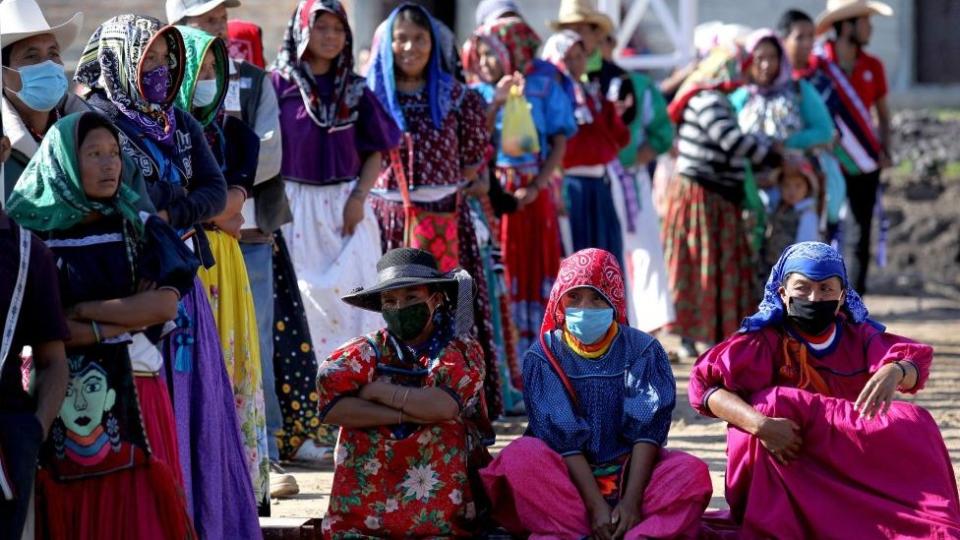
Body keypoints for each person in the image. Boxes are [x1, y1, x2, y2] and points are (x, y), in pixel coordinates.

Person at [74, 16, 261, 538]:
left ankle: (204, 519)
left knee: (195, 404)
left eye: (165, 59)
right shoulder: (94, 121)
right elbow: (124, 199)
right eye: (148, 59)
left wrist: (172, 214)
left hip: (182, 281)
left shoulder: (180, 123)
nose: (160, 70)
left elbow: (213, 190)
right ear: (119, 61)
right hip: (127, 287)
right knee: (145, 405)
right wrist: (174, 206)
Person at [7, 112, 197, 539]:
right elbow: (45, 333)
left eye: (114, 153)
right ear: (63, 161)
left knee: (138, 512)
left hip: (137, 390)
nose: (110, 164)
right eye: (94, 154)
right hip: (55, 398)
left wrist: (86, 312)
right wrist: (126, 313)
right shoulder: (31, 239)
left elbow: (164, 306)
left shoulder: (138, 226)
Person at [689, 241, 960, 538]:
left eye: (826, 289)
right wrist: (761, 425)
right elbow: (705, 386)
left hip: (844, 456)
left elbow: (913, 361)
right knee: (771, 404)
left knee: (916, 423)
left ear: (842, 296)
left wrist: (897, 370)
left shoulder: (859, 335)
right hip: (786, 456)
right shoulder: (764, 339)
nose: (814, 298)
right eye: (802, 288)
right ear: (783, 292)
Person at [480, 248, 712, 539]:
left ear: (614, 300)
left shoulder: (642, 350)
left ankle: (626, 529)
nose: (585, 308)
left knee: (690, 472)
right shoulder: (543, 356)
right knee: (520, 458)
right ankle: (590, 529)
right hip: (565, 479)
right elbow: (562, 438)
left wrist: (630, 502)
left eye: (597, 298)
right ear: (559, 298)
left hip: (630, 474)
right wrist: (596, 507)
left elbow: (646, 431)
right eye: (574, 297)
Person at [167, 0, 293, 479]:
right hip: (192, 240)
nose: (220, 26)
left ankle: (254, 453)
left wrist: (233, 195)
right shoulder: (158, 109)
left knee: (249, 341)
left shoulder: (249, 79)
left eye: (222, 17)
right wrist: (217, 207)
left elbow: (267, 150)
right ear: (178, 28)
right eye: (206, 19)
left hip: (246, 232)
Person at [366, 4, 503, 420]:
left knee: (453, 313)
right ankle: (399, 400)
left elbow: (471, 161)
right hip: (391, 224)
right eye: (401, 38)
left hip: (446, 220)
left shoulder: (459, 98)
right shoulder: (372, 96)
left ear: (435, 43)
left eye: (419, 38)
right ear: (387, 44)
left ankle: (463, 403)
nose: (410, 46)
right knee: (397, 311)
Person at [270, 0, 401, 405]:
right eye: (320, 27)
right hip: (295, 209)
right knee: (303, 304)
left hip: (348, 207)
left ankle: (356, 397)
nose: (329, 37)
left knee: (356, 301)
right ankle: (310, 405)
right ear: (301, 30)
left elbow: (377, 150)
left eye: (337, 29)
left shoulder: (356, 88)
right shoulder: (278, 85)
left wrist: (360, 198)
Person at [317, 248, 488, 537]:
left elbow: (444, 406)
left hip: (438, 464)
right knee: (355, 431)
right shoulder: (367, 349)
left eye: (411, 297)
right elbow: (332, 406)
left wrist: (377, 391)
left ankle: (438, 525)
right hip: (377, 473)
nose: (400, 306)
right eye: (391, 300)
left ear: (435, 299)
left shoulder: (459, 349)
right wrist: (402, 414)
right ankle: (362, 523)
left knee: (443, 428)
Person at [174, 24, 271, 511]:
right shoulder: (165, 133)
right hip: (185, 264)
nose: (209, 78)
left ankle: (235, 491)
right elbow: (221, 209)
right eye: (200, 69)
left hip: (224, 266)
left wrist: (210, 206)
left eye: (216, 68)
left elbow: (234, 209)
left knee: (232, 368)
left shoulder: (235, 134)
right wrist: (215, 206)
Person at [462, 16, 576, 375]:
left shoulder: (544, 84)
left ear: (511, 50)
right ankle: (507, 365)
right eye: (480, 54)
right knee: (501, 269)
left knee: (535, 265)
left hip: (533, 194)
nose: (484, 62)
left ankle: (542, 358)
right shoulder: (480, 93)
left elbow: (559, 140)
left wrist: (538, 184)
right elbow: (474, 137)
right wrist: (496, 102)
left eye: (491, 54)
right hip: (493, 195)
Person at [663, 45, 783, 358]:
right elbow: (731, 141)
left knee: (717, 266)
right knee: (700, 265)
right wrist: (771, 153)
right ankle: (691, 335)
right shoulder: (706, 101)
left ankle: (712, 335)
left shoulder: (717, 101)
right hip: (702, 196)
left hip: (718, 197)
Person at [0, 122, 69, 540]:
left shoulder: (29, 253)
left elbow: (52, 360)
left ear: (4, 150)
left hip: (7, 450)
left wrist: (33, 431)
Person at [728, 29, 834, 253]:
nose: (766, 65)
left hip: (792, 190)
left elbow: (824, 130)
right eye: (759, 59)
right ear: (749, 62)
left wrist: (788, 144)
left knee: (796, 261)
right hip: (752, 192)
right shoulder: (740, 99)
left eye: (772, 57)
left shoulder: (798, 90)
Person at [599, 31, 676, 332]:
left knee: (645, 248)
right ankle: (614, 318)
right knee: (607, 250)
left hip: (632, 177)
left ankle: (651, 324)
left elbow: (662, 132)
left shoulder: (639, 87)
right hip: (599, 179)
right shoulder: (581, 84)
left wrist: (640, 157)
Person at [815, 0, 893, 294]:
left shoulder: (874, 66)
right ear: (847, 26)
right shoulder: (820, 64)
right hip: (829, 158)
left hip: (865, 160)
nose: (870, 27)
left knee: (861, 229)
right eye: (865, 21)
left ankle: (855, 295)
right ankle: (820, 292)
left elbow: (883, 113)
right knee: (826, 225)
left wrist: (886, 148)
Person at [541, 30, 630, 267]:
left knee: (605, 257)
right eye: (567, 57)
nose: (574, 63)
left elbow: (619, 138)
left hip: (599, 185)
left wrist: (612, 112)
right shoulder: (549, 98)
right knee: (578, 261)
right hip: (569, 187)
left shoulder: (592, 92)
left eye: (579, 56)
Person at [763, 154, 821, 273]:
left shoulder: (806, 214)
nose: (792, 191)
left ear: (808, 188)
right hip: (773, 265)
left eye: (798, 186)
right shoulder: (780, 207)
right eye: (786, 185)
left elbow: (805, 246)